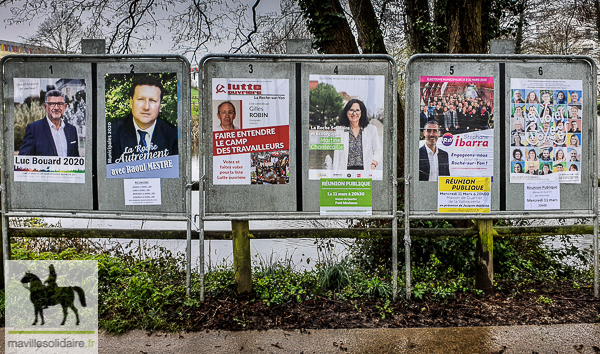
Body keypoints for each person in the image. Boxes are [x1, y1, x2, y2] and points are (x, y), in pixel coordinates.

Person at [108, 75, 178, 164]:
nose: (146, 107)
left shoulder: (174, 136)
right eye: (141, 99)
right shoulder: (111, 133)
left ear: (160, 105)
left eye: (152, 100)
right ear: (131, 102)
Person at [19, 90, 80, 156]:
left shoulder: (72, 129)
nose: (56, 108)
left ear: (65, 107)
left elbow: (76, 159)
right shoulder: (34, 129)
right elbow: (24, 160)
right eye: (52, 104)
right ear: (45, 107)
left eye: (60, 104)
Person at [332, 99, 383, 172]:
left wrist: (373, 164)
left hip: (365, 171)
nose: (354, 113)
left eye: (357, 110)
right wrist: (334, 173)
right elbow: (336, 155)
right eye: (351, 110)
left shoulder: (371, 130)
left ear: (362, 112)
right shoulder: (340, 131)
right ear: (347, 113)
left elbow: (378, 150)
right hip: (345, 172)